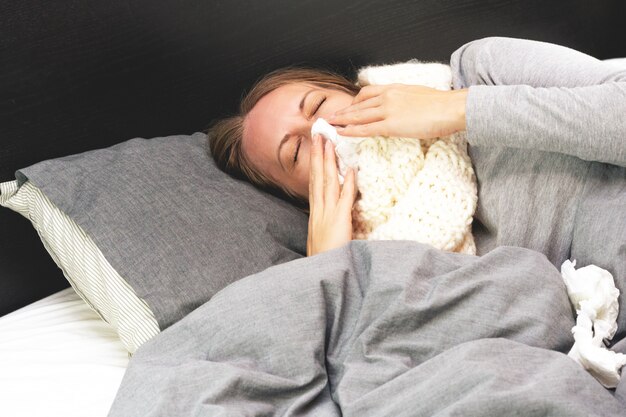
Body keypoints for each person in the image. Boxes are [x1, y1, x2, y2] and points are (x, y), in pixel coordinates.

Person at [207, 37, 626, 300]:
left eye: (318, 106)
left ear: (346, 89)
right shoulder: (378, 267)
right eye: (297, 153)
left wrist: (456, 110)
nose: (323, 130)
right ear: (302, 198)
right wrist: (330, 271)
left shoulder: (476, 71)